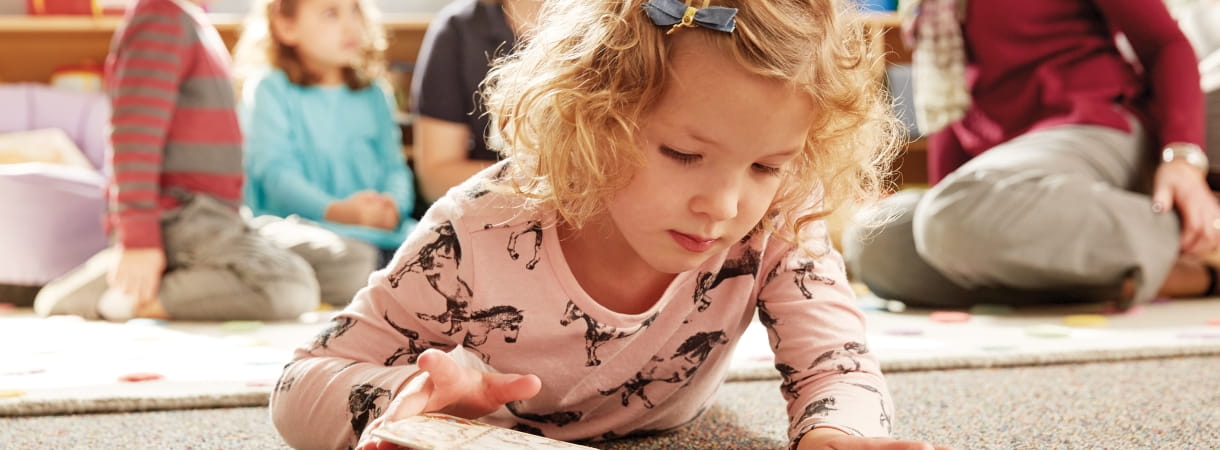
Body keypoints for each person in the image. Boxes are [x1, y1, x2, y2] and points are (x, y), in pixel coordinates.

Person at [269, 1, 946, 449]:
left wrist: (840, 435)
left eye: (768, 163)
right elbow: (301, 382)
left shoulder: (781, 214)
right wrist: (402, 397)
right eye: (684, 155)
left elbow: (838, 369)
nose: (725, 204)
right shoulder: (476, 229)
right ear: (593, 120)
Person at [843, 0, 1219, 310]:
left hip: (1093, 126)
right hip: (1004, 174)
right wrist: (957, 225)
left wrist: (1183, 158)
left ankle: (1199, 235)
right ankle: (1182, 274)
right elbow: (950, 114)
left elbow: (1164, 44)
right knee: (875, 243)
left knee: (948, 220)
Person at [33, 0, 320, 321]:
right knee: (290, 285)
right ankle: (122, 298)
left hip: (214, 218)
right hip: (182, 216)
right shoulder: (160, 18)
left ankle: (137, 286)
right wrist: (138, 240)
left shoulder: (190, 21)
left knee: (343, 265)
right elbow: (133, 136)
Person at [235, 0, 417, 271]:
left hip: (383, 234)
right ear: (286, 26)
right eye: (331, 13)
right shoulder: (270, 89)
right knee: (349, 262)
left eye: (355, 9)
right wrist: (338, 212)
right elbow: (276, 175)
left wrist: (393, 207)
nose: (351, 25)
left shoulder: (374, 93)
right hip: (306, 233)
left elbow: (395, 167)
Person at [410, 0, 541, 203]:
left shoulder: (600, 28)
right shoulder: (457, 31)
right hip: (493, 214)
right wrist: (542, 182)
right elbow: (435, 180)